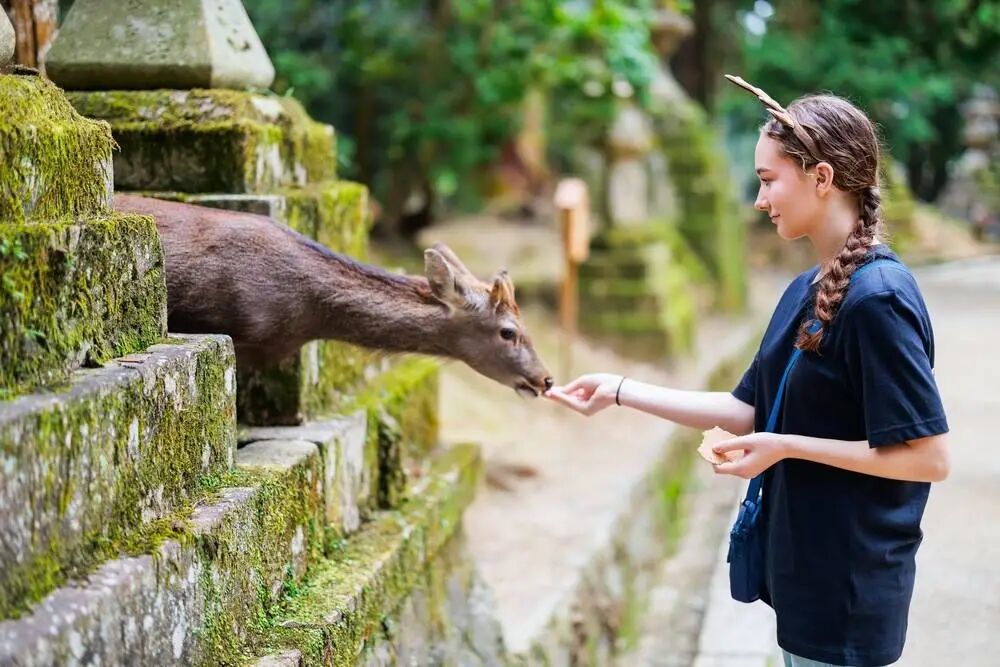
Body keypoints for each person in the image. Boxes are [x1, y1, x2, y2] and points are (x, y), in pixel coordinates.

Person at [543, 77, 950, 667]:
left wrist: (784, 447)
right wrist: (621, 390)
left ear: (822, 177)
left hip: (851, 589)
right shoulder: (805, 289)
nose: (759, 200)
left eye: (767, 180)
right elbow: (749, 411)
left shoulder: (877, 300)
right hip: (805, 578)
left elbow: (928, 457)